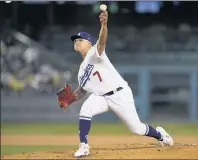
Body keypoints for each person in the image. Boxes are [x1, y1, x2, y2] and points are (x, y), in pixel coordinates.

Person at [58, 10, 174, 158]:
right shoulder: (81, 71)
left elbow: (102, 41)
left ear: (89, 43)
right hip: (100, 97)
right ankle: (84, 146)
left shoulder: (95, 52)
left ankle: (160, 135)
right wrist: (68, 99)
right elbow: (81, 91)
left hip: (119, 93)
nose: (76, 41)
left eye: (80, 39)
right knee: (85, 110)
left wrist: (104, 25)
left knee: (137, 129)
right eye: (75, 40)